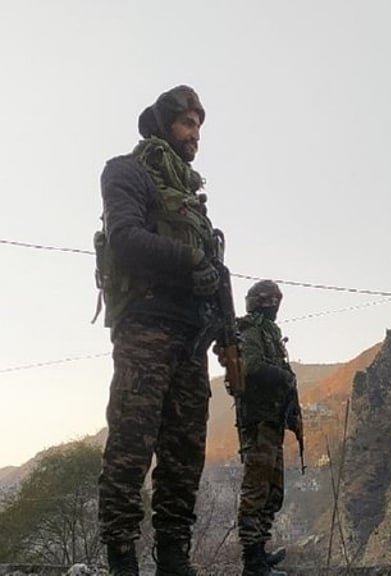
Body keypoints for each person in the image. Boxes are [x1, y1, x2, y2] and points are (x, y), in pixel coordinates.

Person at [96, 85, 221, 576]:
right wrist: (192, 260)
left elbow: (214, 270)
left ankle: (174, 559)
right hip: (146, 327)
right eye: (188, 123)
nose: (196, 134)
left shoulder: (192, 198)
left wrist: (223, 325)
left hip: (191, 338)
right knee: (131, 444)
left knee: (184, 455)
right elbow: (125, 238)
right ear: (165, 124)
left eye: (199, 126)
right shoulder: (126, 171)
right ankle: (122, 558)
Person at [234, 280, 303, 576]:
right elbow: (251, 367)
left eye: (277, 300)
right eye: (270, 300)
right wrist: (284, 377)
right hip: (258, 421)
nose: (274, 305)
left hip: (271, 421)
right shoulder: (250, 331)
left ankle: (260, 551)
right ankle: (252, 561)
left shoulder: (269, 333)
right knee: (256, 489)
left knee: (273, 491)